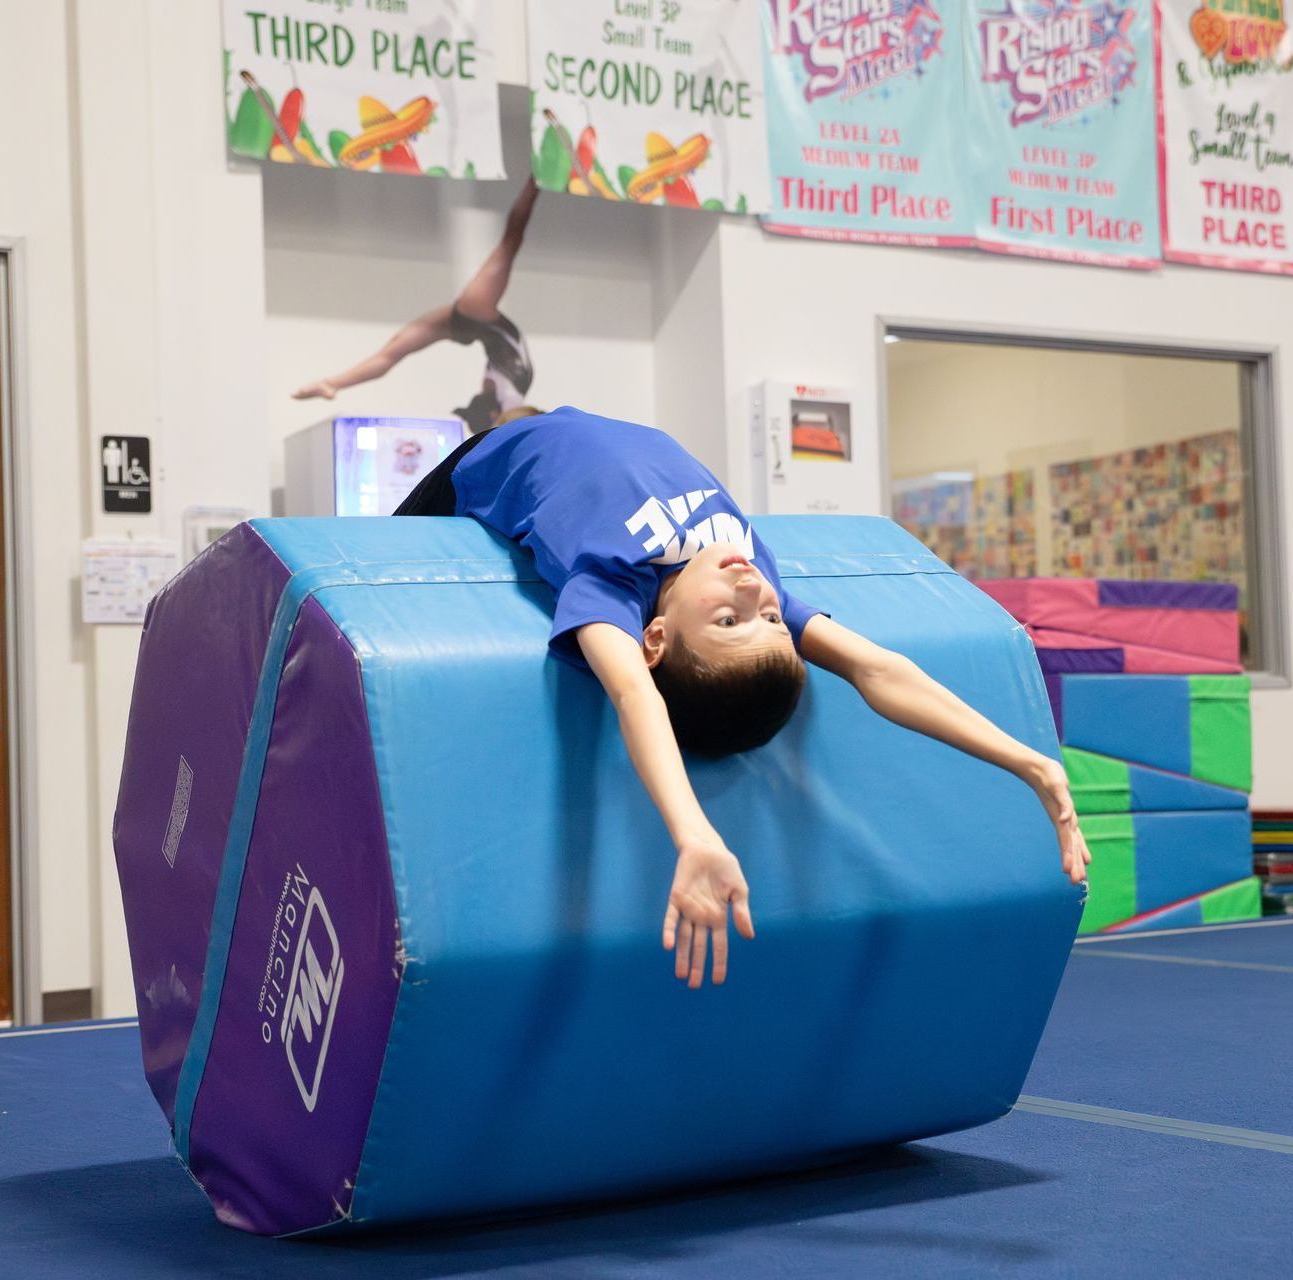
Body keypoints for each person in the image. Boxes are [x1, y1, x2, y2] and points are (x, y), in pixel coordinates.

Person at [397, 405, 1092, 990]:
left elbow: (634, 696)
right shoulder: (754, 582)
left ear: (657, 637)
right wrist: (1029, 762)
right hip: (576, 420)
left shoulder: (607, 588)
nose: (754, 596)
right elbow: (879, 670)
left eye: (729, 622)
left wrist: (692, 832)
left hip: (484, 464)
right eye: (766, 622)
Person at [293, 179, 539, 433]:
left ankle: (331, 383)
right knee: (511, 240)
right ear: (493, 415)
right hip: (480, 318)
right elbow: (513, 425)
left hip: (472, 323)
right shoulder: (510, 403)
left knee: (390, 353)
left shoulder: (502, 396)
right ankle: (534, 185)